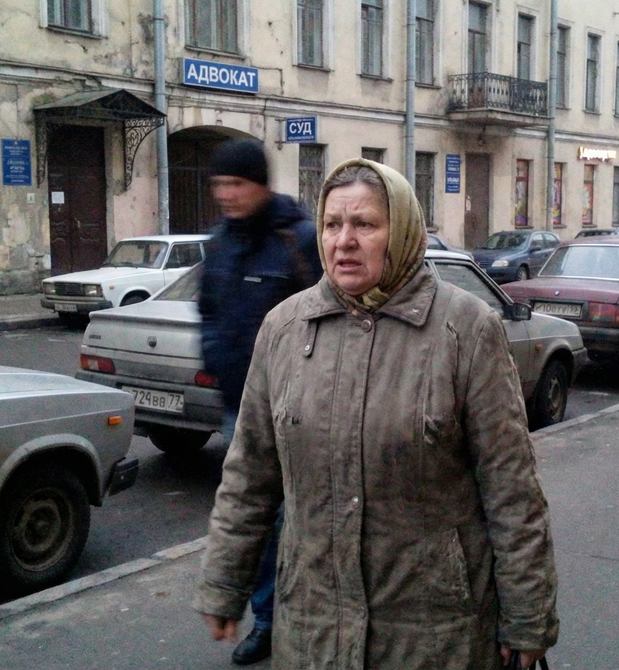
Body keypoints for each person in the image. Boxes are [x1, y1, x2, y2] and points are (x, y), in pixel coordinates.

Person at [194, 159, 559, 669]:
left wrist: (527, 616)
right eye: (331, 224)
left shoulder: (466, 329)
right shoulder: (285, 328)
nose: (343, 241)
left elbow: (510, 487)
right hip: (313, 625)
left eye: (364, 224)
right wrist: (224, 582)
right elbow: (249, 473)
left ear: (403, 232)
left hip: (434, 631)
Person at [197, 138, 322, 665]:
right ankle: (268, 620)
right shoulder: (220, 242)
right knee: (256, 520)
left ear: (262, 185)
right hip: (240, 409)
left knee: (301, 521)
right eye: (218, 184)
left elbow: (329, 316)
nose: (225, 194)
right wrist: (216, 362)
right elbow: (209, 311)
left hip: (298, 409)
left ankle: (311, 617)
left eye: (236, 183)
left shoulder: (299, 239)